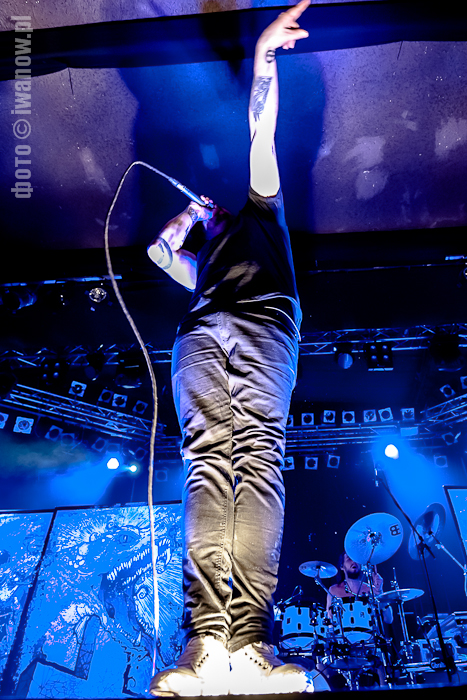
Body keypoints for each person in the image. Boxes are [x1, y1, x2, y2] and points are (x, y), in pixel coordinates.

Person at [147, 1, 313, 695]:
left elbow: (259, 134)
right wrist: (190, 215)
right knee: (209, 467)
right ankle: (204, 645)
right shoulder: (205, 257)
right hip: (202, 328)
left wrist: (263, 60)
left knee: (257, 463)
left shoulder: (262, 211)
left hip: (265, 324)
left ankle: (248, 642)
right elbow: (161, 255)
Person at [326, 552, 393, 627]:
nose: (353, 562)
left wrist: (379, 592)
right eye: (349, 559)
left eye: (356, 559)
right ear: (342, 566)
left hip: (368, 634)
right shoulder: (333, 590)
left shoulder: (371, 589)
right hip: (342, 634)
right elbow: (329, 623)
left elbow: (389, 619)